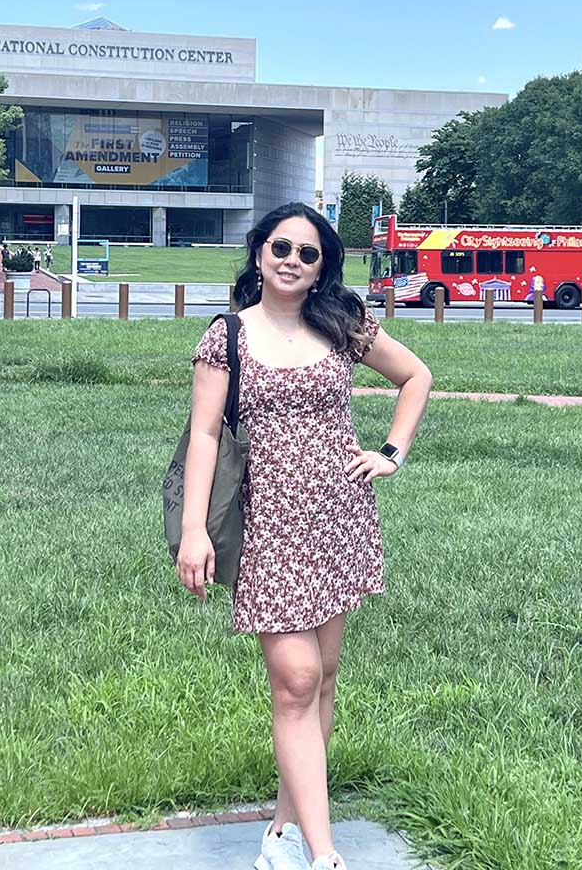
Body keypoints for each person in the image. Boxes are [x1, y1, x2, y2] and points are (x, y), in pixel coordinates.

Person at [178, 202, 433, 870]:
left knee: (322, 680)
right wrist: (194, 530)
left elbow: (416, 377)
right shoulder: (228, 336)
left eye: (308, 253)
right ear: (260, 252)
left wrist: (391, 452)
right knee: (296, 679)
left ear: (323, 268)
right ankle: (325, 855)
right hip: (268, 528)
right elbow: (204, 435)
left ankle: (282, 832)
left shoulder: (341, 324)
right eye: (282, 248)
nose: (293, 261)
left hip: (339, 520)